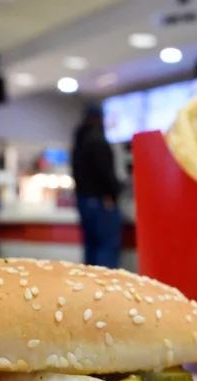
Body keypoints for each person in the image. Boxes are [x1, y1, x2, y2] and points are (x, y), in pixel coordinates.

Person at [72, 105, 122, 267]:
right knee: (105, 249)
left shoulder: (78, 141)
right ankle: (104, 290)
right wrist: (115, 193)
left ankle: (90, 289)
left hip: (84, 201)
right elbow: (105, 173)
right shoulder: (98, 140)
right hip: (100, 202)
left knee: (91, 249)